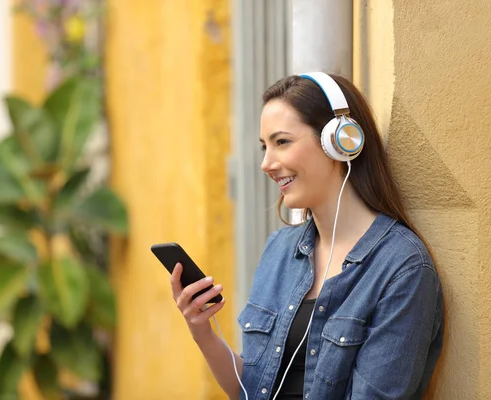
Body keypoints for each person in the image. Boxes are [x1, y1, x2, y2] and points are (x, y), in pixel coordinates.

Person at [169, 72, 444, 400]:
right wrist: (202, 332)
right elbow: (251, 389)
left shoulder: (401, 268)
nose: (266, 164)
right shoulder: (280, 250)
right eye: (264, 147)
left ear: (341, 141)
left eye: (281, 142)